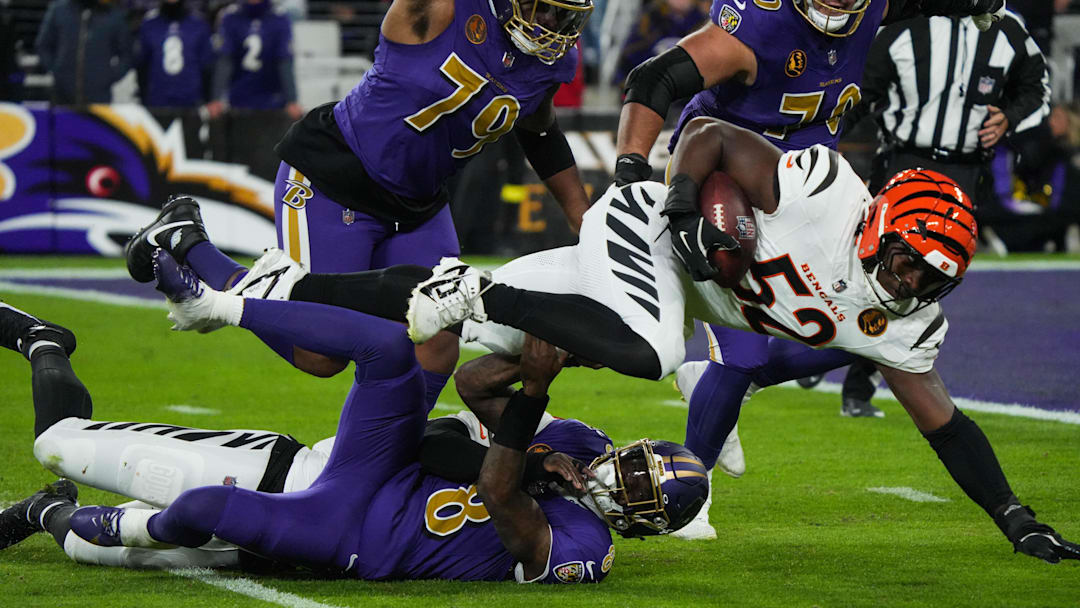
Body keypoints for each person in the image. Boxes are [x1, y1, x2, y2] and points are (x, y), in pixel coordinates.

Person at [205, 117, 1080, 564]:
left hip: (673, 286)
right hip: (654, 231)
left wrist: (1014, 518)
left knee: (470, 352)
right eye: (910, 263)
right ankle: (471, 282)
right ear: (881, 223)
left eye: (934, 277)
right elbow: (705, 137)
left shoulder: (904, 319)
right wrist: (685, 207)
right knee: (655, 352)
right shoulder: (825, 194)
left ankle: (264, 283)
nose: (914, 285)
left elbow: (943, 421)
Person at [1, 254, 708, 582]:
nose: (623, 470)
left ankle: (46, 515)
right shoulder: (581, 445)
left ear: (642, 521)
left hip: (348, 535)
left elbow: (498, 493)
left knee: (182, 512)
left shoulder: (582, 546)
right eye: (640, 458)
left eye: (641, 485)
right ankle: (218, 304)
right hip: (366, 468)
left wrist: (532, 403)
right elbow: (465, 394)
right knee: (386, 345)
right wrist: (546, 361)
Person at [610, 0, 1011, 497]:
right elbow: (655, 79)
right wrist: (630, 167)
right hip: (729, 175)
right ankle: (695, 486)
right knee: (745, 353)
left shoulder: (868, 9)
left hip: (812, 188)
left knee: (871, 324)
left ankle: (732, 386)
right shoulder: (761, 21)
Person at [123, 0, 595, 416]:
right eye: (545, 8)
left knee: (437, 341)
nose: (554, 24)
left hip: (419, 203)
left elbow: (538, 129)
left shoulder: (551, 61)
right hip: (338, 178)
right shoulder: (439, 9)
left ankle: (385, 464)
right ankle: (188, 241)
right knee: (319, 355)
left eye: (566, 14)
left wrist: (582, 218)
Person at [838, 10, 1050, 413]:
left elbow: (1037, 89)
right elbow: (859, 92)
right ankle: (823, 350)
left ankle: (855, 380)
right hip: (905, 163)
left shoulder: (1007, 29)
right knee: (871, 270)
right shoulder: (903, 23)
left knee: (924, 282)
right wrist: (824, 142)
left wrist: (1010, 117)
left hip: (965, 170)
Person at [205, 0, 302, 120]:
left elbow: (284, 62)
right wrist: (216, 98)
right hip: (238, 101)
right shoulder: (230, 16)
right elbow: (225, 61)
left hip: (273, 100)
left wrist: (292, 99)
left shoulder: (280, 17)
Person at [35, 0, 132, 105]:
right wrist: (56, 70)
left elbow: (127, 54)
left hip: (99, 97)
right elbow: (43, 45)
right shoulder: (58, 10)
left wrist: (108, 77)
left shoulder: (112, 15)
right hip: (62, 95)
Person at [135, 0, 216, 109]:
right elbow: (142, 66)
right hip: (156, 102)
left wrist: (208, 99)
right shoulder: (149, 24)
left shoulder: (199, 24)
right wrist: (144, 98)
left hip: (191, 103)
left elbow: (207, 66)